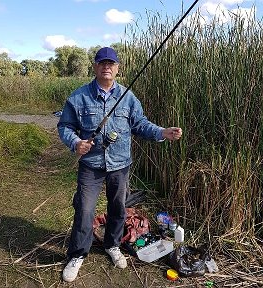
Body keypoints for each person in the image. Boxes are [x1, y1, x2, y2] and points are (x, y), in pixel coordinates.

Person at [57, 47, 182, 282]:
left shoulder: (128, 97)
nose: (106, 66)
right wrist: (76, 143)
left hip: (120, 164)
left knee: (118, 209)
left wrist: (163, 132)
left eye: (111, 63)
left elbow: (141, 124)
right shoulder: (79, 97)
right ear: (94, 66)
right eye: (102, 62)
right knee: (84, 210)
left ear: (117, 68)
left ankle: (112, 245)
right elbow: (65, 126)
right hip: (90, 165)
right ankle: (77, 254)